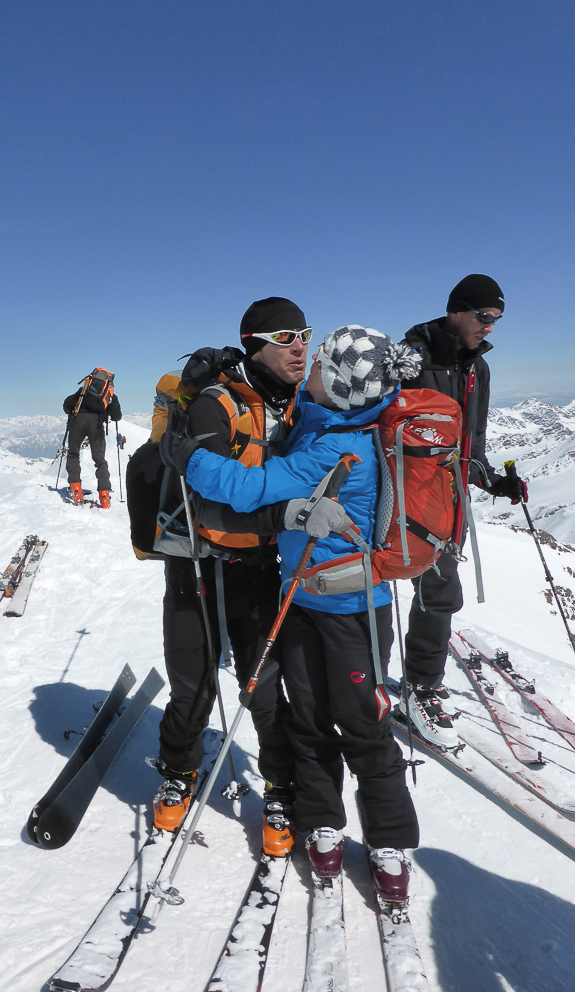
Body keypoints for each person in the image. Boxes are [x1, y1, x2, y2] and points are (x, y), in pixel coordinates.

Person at [166, 325, 422, 900]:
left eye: (320, 363)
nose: (308, 367)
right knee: (307, 715)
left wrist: (189, 457)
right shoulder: (333, 419)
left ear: (339, 384)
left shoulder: (339, 447)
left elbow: (247, 487)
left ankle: (388, 841)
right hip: (304, 599)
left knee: (361, 721)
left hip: (350, 610)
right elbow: (294, 409)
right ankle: (323, 820)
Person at [153, 296, 310, 858]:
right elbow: (212, 508)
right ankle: (179, 770)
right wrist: (287, 517)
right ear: (254, 346)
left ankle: (280, 787)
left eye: (304, 334)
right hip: (196, 563)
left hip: (258, 566)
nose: (299, 346)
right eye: (285, 337)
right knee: (193, 680)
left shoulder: (300, 404)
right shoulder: (214, 405)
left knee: (262, 687)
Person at [398, 274, 528, 747]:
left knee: (439, 592)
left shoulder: (478, 370)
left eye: (497, 319)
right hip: (401, 495)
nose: (490, 327)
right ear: (456, 310)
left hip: (449, 499)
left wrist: (492, 480)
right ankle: (364, 681)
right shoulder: (410, 358)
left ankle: (420, 684)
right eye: (485, 316)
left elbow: (472, 442)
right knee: (376, 587)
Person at [62, 372, 122, 509]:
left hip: (78, 420)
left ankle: (76, 490)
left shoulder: (84, 389)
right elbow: (116, 416)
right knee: (100, 460)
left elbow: (67, 405)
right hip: (96, 424)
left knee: (73, 454)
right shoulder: (110, 394)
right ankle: (104, 496)